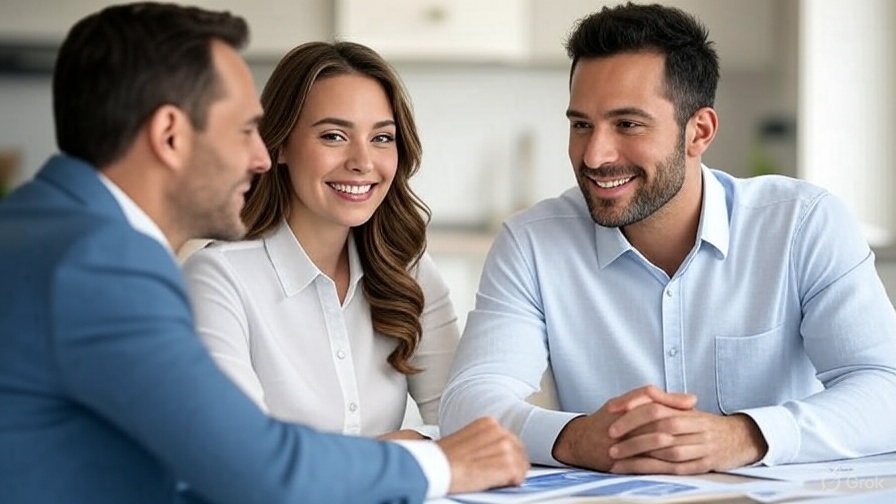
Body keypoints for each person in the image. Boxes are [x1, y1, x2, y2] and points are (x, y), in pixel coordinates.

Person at [0, 3, 527, 503]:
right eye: (245, 130)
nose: (258, 157)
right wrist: (441, 462)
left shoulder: (42, 228)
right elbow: (254, 469)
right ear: (169, 135)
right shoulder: (103, 262)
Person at [439, 1, 896, 476]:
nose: (595, 155)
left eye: (627, 124)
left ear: (699, 131)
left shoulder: (803, 226)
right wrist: (576, 438)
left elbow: (886, 388)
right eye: (581, 125)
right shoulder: (532, 244)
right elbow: (468, 402)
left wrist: (744, 434)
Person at [181, 41, 458, 441]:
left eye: (381, 138)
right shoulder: (217, 279)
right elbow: (244, 454)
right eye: (333, 136)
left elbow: (466, 426)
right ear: (278, 146)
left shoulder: (408, 269)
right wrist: (402, 448)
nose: (362, 162)